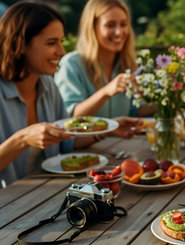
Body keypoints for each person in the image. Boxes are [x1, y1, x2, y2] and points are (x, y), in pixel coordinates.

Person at [0, 2, 142, 189]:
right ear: (20, 44)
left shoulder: (48, 86)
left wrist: (110, 128)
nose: (61, 51)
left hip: (48, 191)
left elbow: (69, 141)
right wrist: (22, 139)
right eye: (52, 43)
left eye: (61, 41)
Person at [55, 0, 152, 118]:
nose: (118, 32)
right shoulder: (71, 64)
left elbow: (135, 110)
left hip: (123, 137)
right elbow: (69, 117)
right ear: (92, 28)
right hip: (89, 137)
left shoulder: (128, 64)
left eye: (123, 24)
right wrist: (106, 92)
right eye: (110, 25)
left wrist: (170, 101)